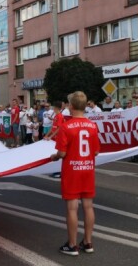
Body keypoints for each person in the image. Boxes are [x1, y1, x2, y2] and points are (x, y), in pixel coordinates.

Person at [51, 91, 100, 256]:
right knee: (88, 206)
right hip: (87, 169)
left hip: (72, 170)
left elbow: (62, 154)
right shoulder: (93, 126)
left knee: (72, 208)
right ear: (85, 106)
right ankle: (87, 242)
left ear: (70, 106)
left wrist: (54, 156)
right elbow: (95, 152)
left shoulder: (66, 126)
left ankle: (72, 245)